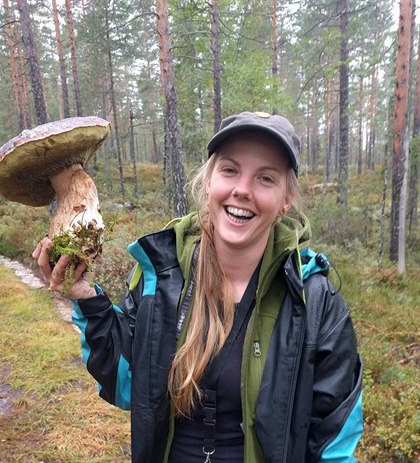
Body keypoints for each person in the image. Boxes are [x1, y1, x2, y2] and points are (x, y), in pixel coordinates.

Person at [33, 111, 363, 463]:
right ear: (209, 181)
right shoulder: (161, 273)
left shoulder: (313, 302)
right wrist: (87, 300)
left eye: (265, 178)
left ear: (286, 200)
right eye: (230, 170)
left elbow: (333, 440)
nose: (242, 190)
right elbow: (128, 385)